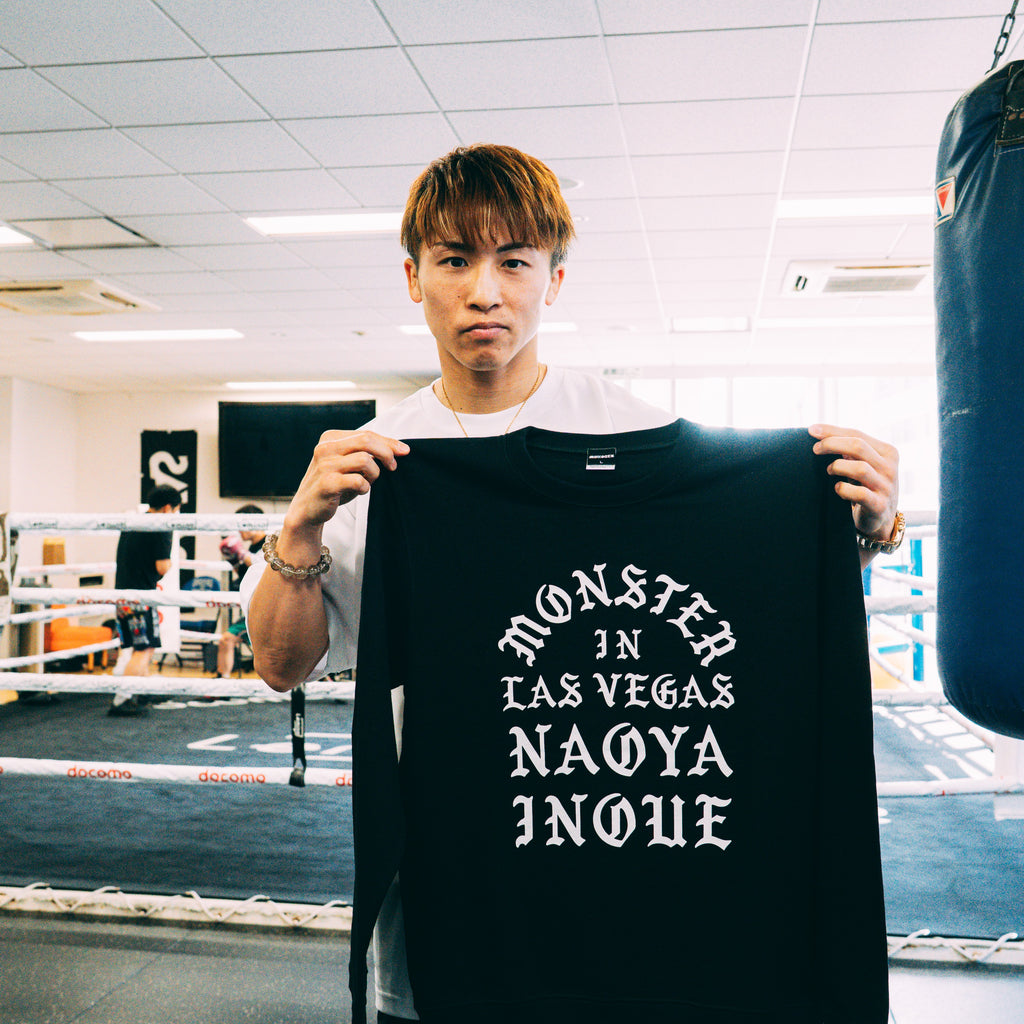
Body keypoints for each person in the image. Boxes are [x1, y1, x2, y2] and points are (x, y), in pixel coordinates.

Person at [242, 144, 901, 1022]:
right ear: (413, 278)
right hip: (455, 901)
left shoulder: (635, 431)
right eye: (454, 260)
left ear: (553, 280)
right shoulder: (381, 466)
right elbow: (281, 664)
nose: (485, 291)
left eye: (514, 262)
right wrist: (300, 528)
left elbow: (747, 597)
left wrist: (857, 529)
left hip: (640, 897)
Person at [108, 484, 181, 717]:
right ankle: (123, 698)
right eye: (176, 510)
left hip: (123, 595)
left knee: (140, 647)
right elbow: (162, 566)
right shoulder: (161, 526)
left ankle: (142, 690)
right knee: (144, 648)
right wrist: (168, 565)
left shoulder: (132, 522)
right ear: (168, 508)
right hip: (141, 595)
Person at [215, 504, 266, 679]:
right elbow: (246, 578)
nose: (239, 530)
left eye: (242, 525)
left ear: (254, 523)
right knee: (227, 640)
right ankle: (223, 681)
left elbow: (264, 569)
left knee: (228, 639)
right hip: (253, 608)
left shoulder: (271, 542)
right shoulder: (252, 548)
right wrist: (234, 560)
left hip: (267, 609)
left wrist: (242, 554)